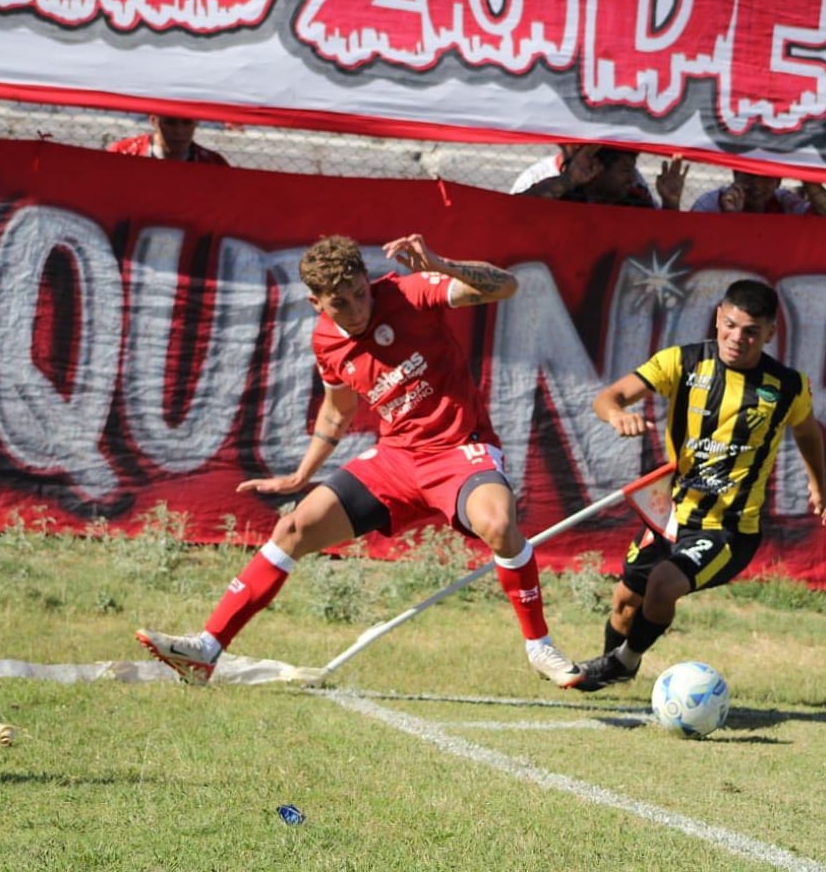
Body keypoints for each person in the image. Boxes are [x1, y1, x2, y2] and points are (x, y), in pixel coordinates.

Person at [136, 233, 584, 688]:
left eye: (359, 295)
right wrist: (302, 475)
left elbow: (505, 285)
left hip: (456, 450)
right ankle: (206, 650)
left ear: (369, 282)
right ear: (316, 303)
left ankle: (539, 646)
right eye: (340, 304)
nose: (356, 310)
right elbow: (338, 409)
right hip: (395, 460)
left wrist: (441, 261)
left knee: (499, 526)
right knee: (292, 528)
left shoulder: (408, 292)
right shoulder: (326, 342)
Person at [574, 278, 826, 691]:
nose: (738, 338)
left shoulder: (787, 387)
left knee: (663, 583)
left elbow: (807, 432)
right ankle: (612, 669)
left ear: (770, 333)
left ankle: (622, 661)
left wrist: (818, 485)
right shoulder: (682, 362)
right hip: (669, 515)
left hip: (729, 528)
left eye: (751, 331)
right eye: (730, 325)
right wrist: (616, 416)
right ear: (718, 318)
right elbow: (609, 397)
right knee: (624, 601)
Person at [513, 144, 687, 210]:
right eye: (625, 171)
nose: (632, 179)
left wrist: (670, 203)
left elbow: (666, 239)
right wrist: (568, 179)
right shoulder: (567, 197)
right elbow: (518, 211)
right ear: (598, 169)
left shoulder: (635, 201)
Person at [691, 170, 826, 218]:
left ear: (778, 181)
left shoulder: (784, 200)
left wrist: (808, 178)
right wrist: (731, 218)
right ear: (736, 176)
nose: (757, 185)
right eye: (749, 175)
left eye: (766, 177)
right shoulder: (710, 203)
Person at [107, 114, 229, 165]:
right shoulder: (123, 153)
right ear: (154, 121)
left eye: (187, 123)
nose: (179, 131)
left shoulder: (213, 163)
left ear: (197, 122)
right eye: (170, 123)